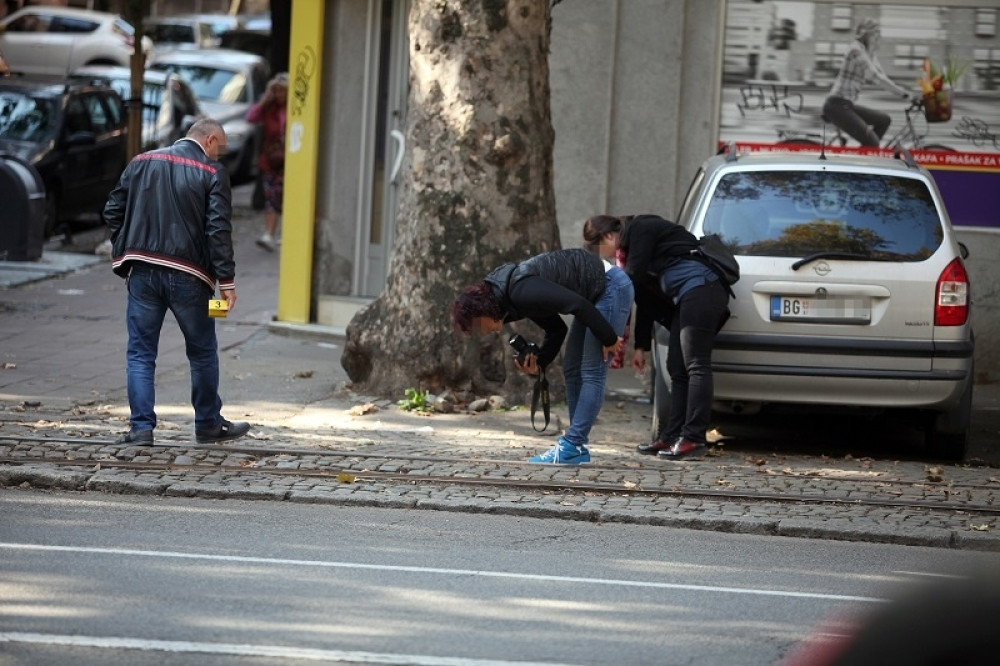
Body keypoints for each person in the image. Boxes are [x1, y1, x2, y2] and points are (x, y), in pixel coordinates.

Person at [103, 118, 251, 446]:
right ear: (210, 139)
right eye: (220, 150)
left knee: (141, 353)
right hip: (191, 277)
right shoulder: (212, 173)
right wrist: (226, 280)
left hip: (142, 272)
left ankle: (141, 429)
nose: (219, 157)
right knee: (202, 352)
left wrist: (127, 249)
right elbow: (217, 231)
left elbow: (113, 210)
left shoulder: (141, 162)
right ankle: (208, 424)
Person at [452, 248, 633, 465]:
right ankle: (576, 448)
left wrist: (609, 338)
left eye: (480, 326)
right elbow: (557, 329)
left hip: (611, 287)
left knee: (592, 371)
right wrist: (540, 363)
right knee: (572, 369)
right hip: (593, 295)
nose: (484, 332)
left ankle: (572, 444)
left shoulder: (520, 291)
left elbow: (577, 305)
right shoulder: (510, 299)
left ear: (485, 310)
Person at [618, 214, 730, 461]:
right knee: (676, 367)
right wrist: (640, 347)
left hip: (702, 288)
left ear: (612, 234)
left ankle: (694, 438)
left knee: (696, 364)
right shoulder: (648, 257)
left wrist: (613, 283)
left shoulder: (641, 226)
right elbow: (643, 300)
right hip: (688, 297)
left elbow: (632, 276)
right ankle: (671, 436)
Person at [822, 18, 911, 147]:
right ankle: (864, 158)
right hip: (836, 106)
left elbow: (882, 75)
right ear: (866, 34)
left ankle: (867, 155)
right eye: (875, 34)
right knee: (872, 142)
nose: (877, 39)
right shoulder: (855, 50)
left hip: (847, 105)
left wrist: (906, 91)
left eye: (878, 35)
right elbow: (875, 77)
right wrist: (903, 94)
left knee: (884, 120)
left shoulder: (868, 53)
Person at [246, 72, 288, 251]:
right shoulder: (269, 109)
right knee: (271, 196)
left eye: (282, 91)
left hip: (291, 161)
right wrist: (265, 100)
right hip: (272, 160)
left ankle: (287, 233)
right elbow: (251, 117)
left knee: (288, 197)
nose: (279, 95)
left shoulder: (297, 107)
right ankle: (269, 234)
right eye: (276, 91)